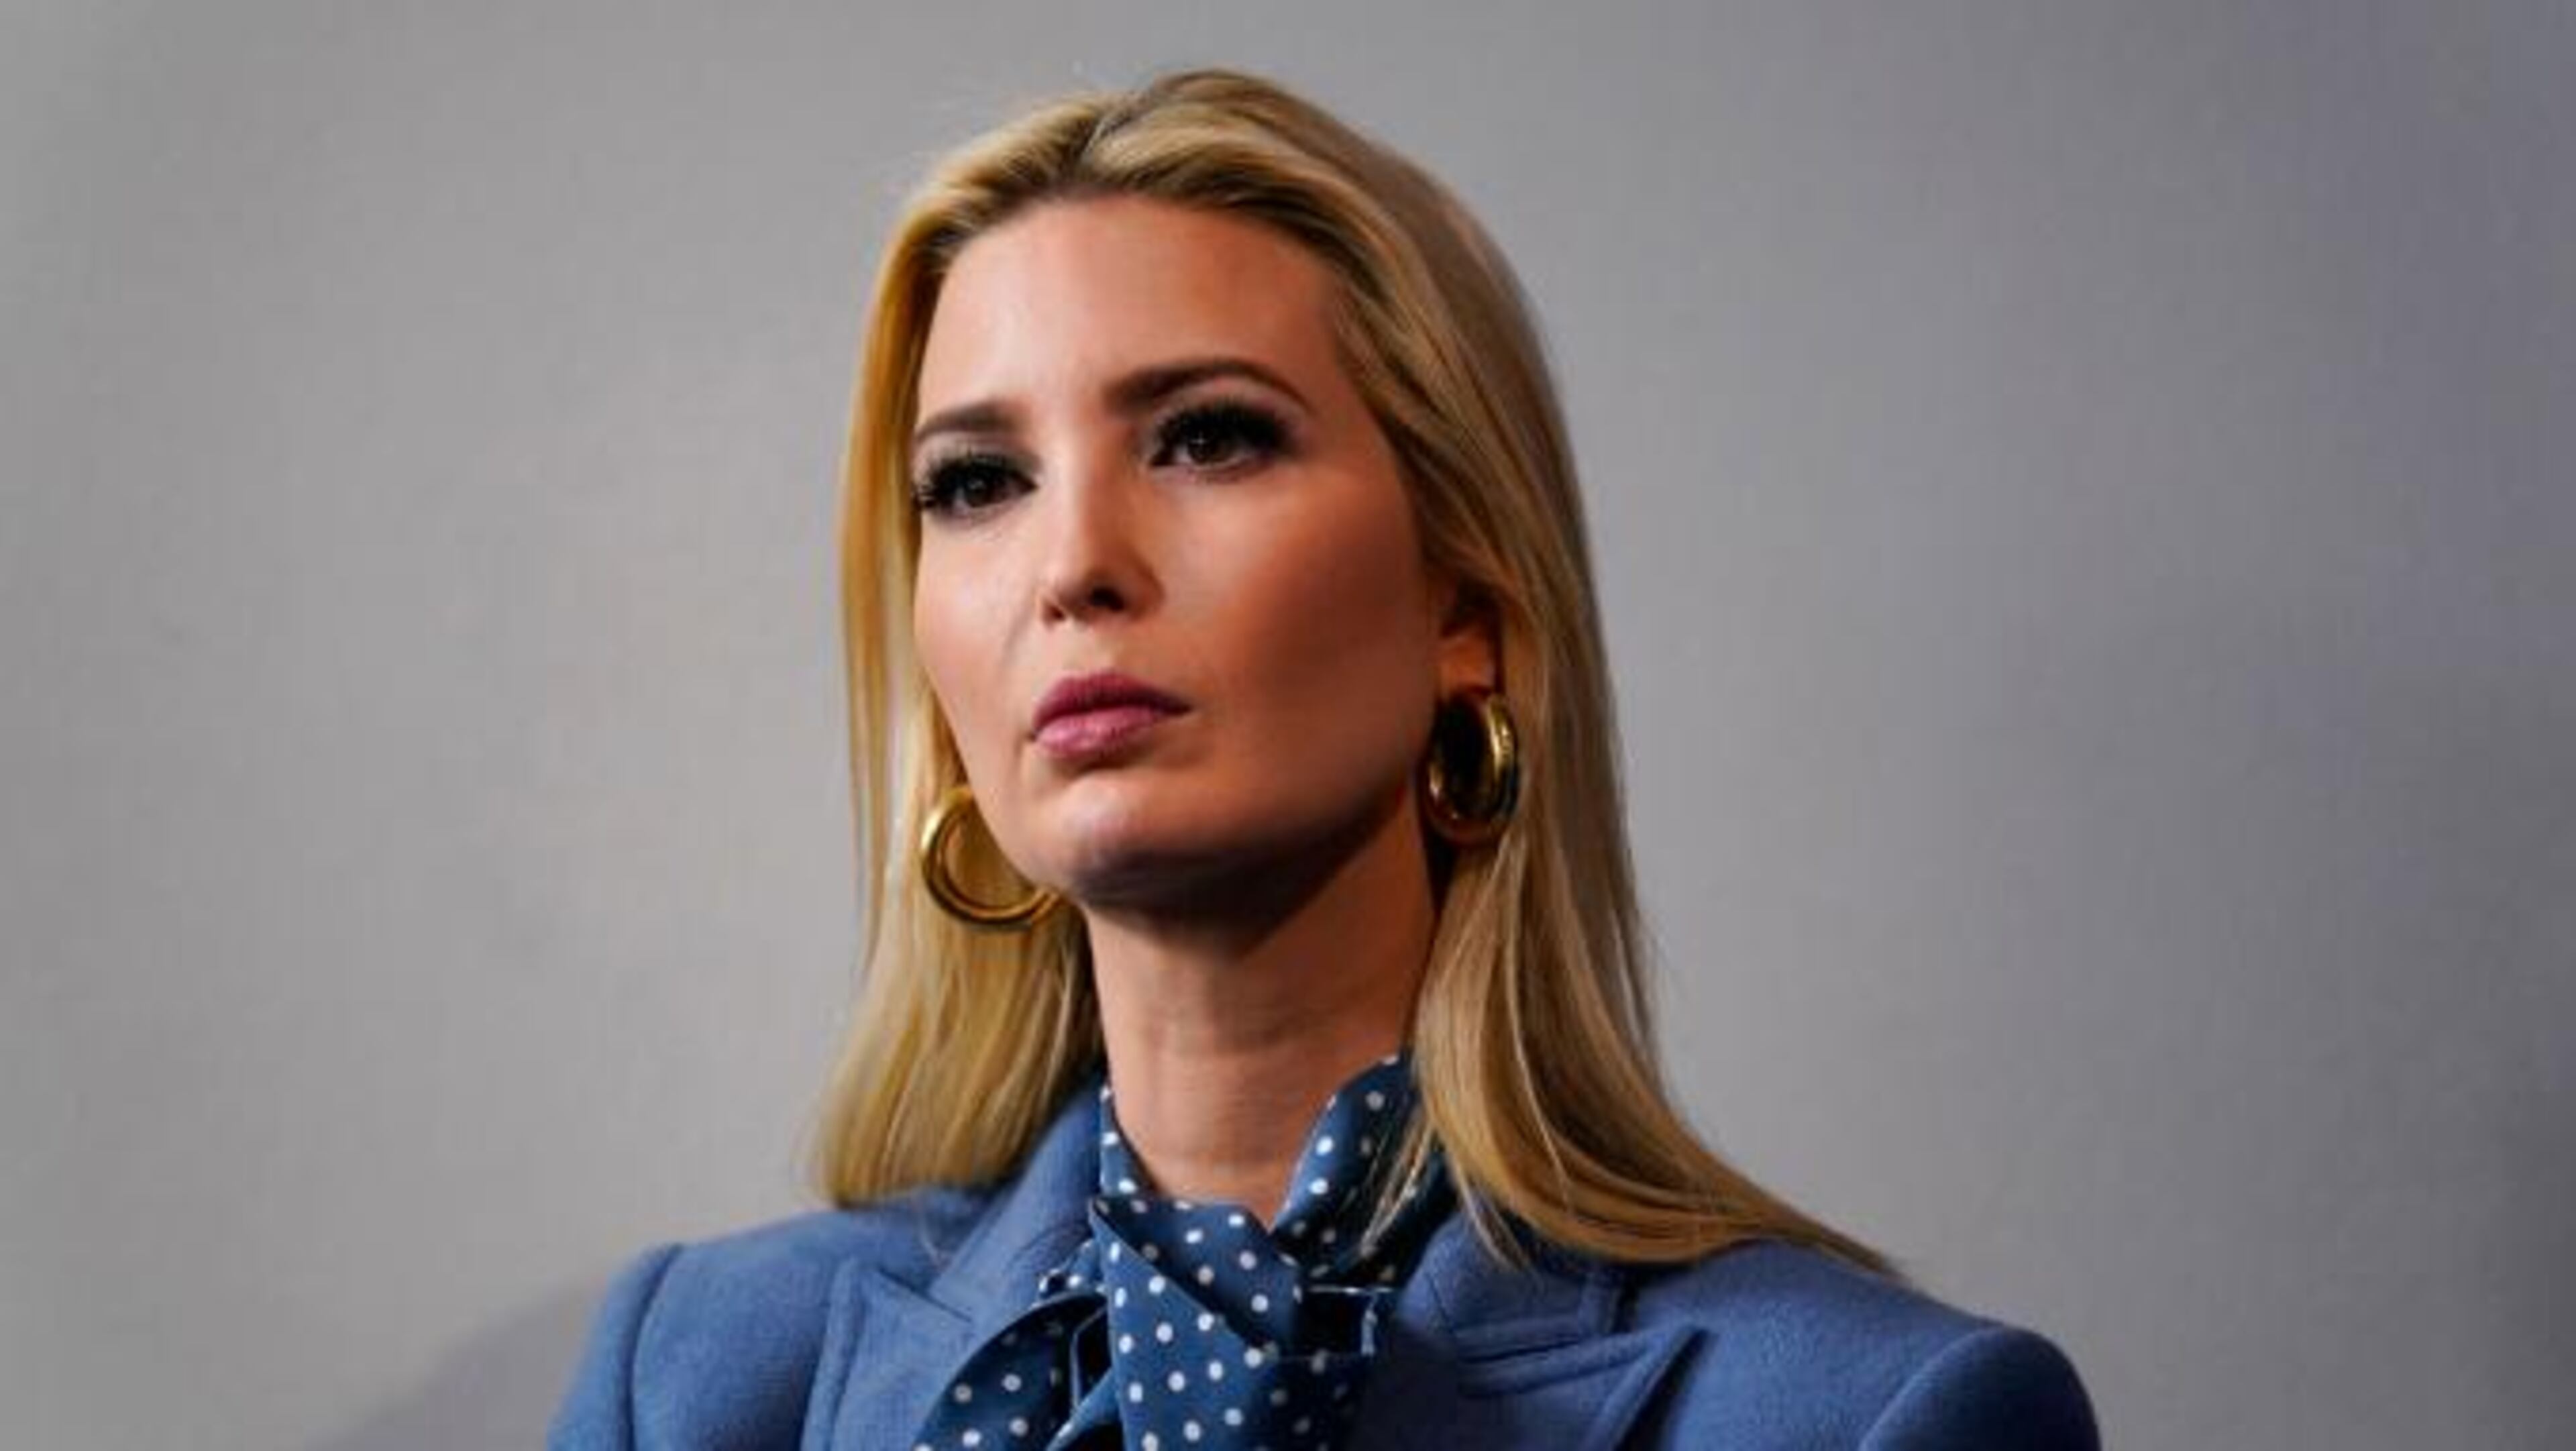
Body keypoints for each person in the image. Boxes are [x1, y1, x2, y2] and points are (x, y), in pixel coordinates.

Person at [550, 67, 2098, 1450]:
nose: (1071, 564)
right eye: (977, 481)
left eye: (1207, 436)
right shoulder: (694, 1381)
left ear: (1466, 607)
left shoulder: (1876, 1417)